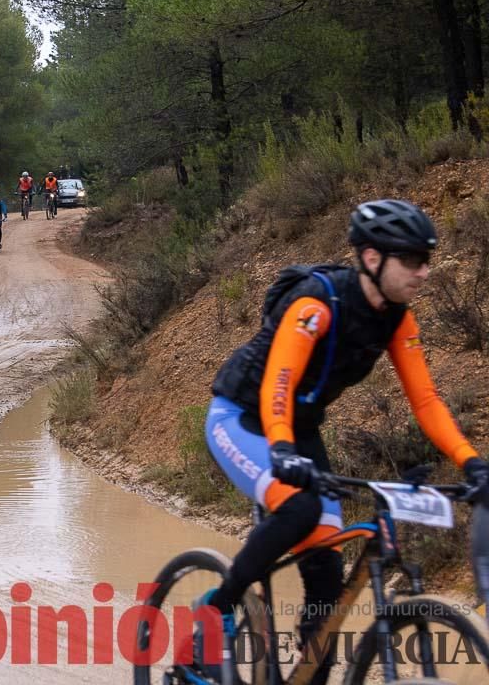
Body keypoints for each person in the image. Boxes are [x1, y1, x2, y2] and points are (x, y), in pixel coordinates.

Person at [197, 199, 488, 682]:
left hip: (300, 433)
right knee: (300, 508)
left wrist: (470, 462)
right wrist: (283, 450)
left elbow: (427, 402)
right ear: (373, 259)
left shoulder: (398, 319)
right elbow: (279, 384)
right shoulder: (317, 303)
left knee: (326, 578)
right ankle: (218, 609)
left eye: (427, 259)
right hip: (244, 420)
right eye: (413, 260)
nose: (425, 272)